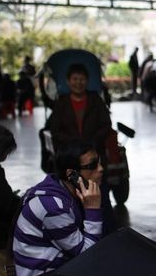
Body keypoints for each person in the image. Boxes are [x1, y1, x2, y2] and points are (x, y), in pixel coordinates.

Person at [12, 140, 104, 276]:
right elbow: (87, 255)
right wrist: (93, 210)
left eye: (100, 161)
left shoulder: (59, 189)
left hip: (50, 270)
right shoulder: (53, 207)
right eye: (92, 165)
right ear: (71, 174)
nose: (100, 169)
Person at [48, 63, 115, 232]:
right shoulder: (61, 103)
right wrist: (74, 143)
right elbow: (55, 130)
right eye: (75, 79)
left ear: (87, 81)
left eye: (82, 79)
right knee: (73, 196)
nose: (78, 83)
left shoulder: (95, 100)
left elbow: (106, 125)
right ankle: (79, 234)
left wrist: (89, 142)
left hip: (93, 158)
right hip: (72, 159)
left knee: (101, 195)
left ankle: (107, 233)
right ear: (68, 81)